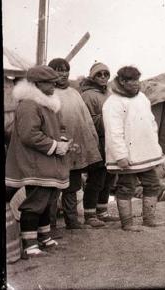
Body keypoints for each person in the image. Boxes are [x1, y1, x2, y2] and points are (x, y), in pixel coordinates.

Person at [5, 65, 72, 257]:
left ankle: (43, 237)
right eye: (48, 83)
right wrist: (55, 146)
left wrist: (63, 142)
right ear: (35, 84)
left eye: (54, 82)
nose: (53, 86)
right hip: (34, 162)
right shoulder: (29, 104)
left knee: (46, 200)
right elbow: (29, 135)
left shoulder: (48, 103)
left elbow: (60, 128)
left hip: (46, 159)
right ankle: (30, 244)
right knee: (35, 202)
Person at [102, 66, 165, 231]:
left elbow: (151, 123)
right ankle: (127, 224)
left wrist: (155, 147)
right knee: (126, 187)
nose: (137, 84)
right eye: (132, 80)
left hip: (145, 153)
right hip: (127, 155)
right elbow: (113, 131)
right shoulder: (113, 102)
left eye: (138, 80)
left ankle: (149, 219)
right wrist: (121, 155)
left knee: (152, 184)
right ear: (122, 81)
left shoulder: (142, 98)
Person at [48, 58, 104, 230]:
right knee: (54, 186)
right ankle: (49, 225)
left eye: (66, 70)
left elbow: (85, 119)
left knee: (72, 185)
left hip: (76, 148)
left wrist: (92, 140)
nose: (63, 74)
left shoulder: (74, 93)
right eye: (58, 70)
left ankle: (72, 221)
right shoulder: (48, 94)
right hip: (57, 148)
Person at [79, 62, 119, 222]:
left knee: (109, 177)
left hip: (110, 142)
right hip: (96, 142)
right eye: (99, 74)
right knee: (96, 178)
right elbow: (86, 120)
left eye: (106, 74)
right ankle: (89, 214)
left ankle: (102, 211)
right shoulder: (87, 95)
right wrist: (110, 118)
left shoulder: (109, 94)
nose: (103, 77)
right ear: (93, 77)